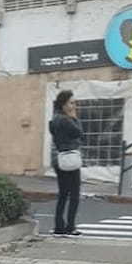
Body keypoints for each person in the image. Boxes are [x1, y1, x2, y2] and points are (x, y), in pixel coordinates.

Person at [49, 90, 83, 236]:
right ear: (64, 104)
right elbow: (78, 133)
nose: (74, 106)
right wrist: (74, 118)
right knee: (74, 194)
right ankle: (70, 226)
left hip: (58, 158)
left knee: (63, 194)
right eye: (71, 103)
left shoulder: (54, 119)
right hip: (70, 158)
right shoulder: (66, 119)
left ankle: (58, 226)